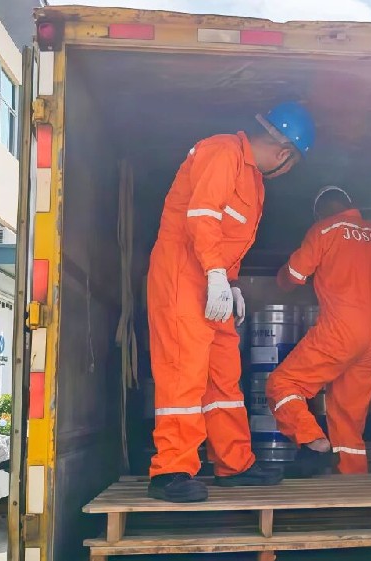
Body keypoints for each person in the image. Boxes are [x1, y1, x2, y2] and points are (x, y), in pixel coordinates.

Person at [147, 102, 316, 502]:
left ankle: (234, 463)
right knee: (183, 371)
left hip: (212, 280)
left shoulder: (253, 180)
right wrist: (215, 274)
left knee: (223, 374)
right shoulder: (223, 151)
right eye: (292, 163)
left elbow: (229, 238)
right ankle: (170, 470)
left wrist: (229, 281)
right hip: (183, 276)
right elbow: (202, 216)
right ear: (284, 152)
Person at [266, 186, 371, 475]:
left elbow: (294, 275)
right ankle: (353, 480)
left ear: (319, 212)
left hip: (341, 330)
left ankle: (312, 440)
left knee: (283, 384)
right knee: (349, 417)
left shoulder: (324, 229)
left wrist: (279, 281)